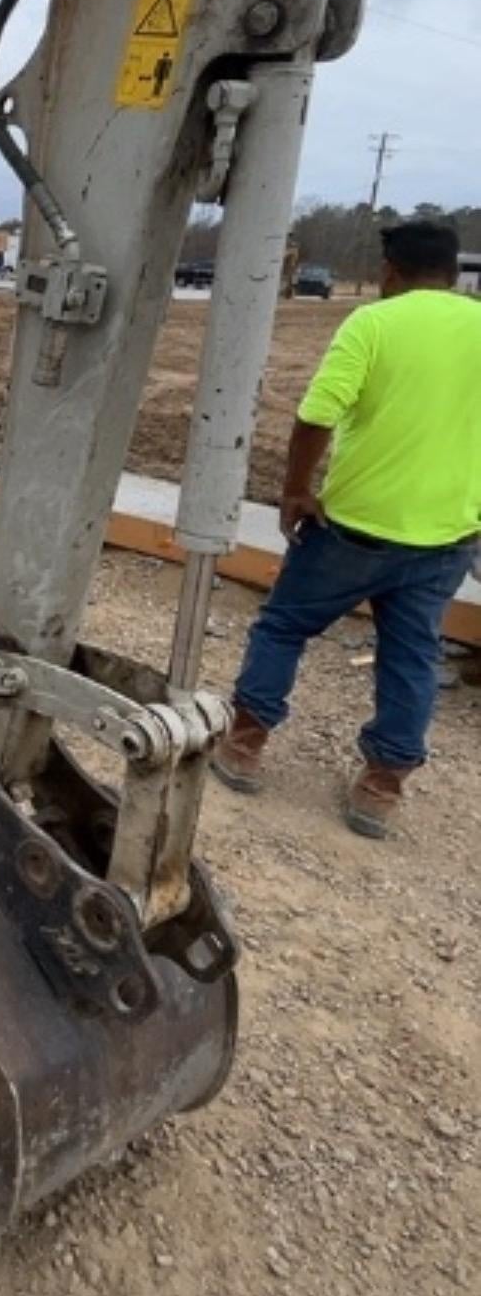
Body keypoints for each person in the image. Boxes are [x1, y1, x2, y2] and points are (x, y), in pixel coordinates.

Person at [212, 218, 481, 836]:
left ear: (390, 269)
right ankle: (381, 788)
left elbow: (315, 416)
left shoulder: (373, 323)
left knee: (283, 625)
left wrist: (295, 491)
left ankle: (246, 743)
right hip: (444, 538)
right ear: (452, 271)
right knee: (413, 654)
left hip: (355, 529)